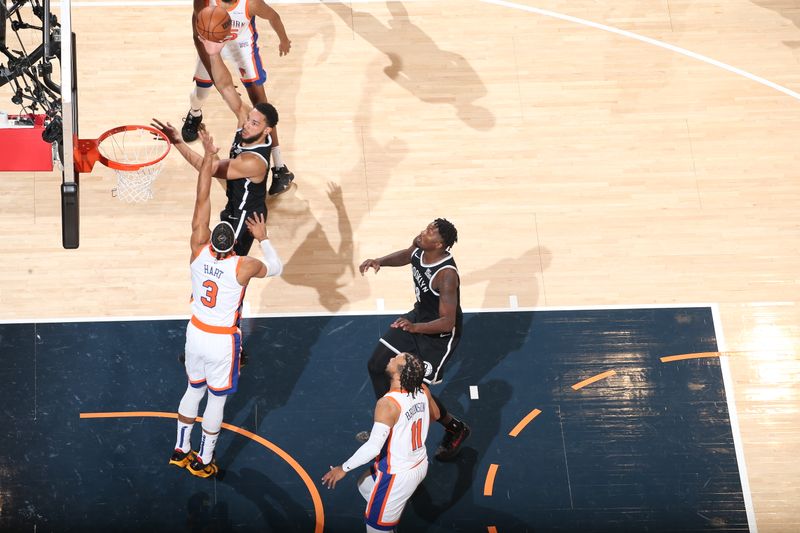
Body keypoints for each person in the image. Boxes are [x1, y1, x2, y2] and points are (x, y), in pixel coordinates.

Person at [168, 128, 283, 478]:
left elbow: (202, 198)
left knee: (192, 390)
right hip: (221, 339)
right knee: (216, 400)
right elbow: (276, 268)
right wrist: (263, 239)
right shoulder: (243, 265)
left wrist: (206, 155)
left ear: (210, 238)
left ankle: (179, 449)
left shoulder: (197, 249)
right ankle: (204, 459)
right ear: (234, 241)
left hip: (195, 332)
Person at [152, 38, 278, 259]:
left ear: (267, 131)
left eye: (255, 123)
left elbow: (206, 169)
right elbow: (226, 87)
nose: (247, 125)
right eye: (249, 119)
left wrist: (178, 143)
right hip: (234, 201)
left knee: (224, 263)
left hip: (245, 218)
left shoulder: (253, 162)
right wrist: (213, 54)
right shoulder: (248, 125)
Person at [359, 218, 470, 461]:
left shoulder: (446, 275)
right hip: (418, 318)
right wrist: (380, 261)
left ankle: (455, 428)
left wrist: (415, 327)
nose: (424, 232)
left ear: (440, 244)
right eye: (427, 227)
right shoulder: (420, 246)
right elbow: (407, 255)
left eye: (431, 231)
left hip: (438, 335)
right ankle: (385, 426)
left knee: (418, 389)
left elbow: (447, 322)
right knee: (376, 364)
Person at [183, 0, 295, 197]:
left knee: (262, 105)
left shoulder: (251, 4)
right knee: (201, 92)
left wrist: (284, 39)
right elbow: (196, 36)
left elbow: (273, 16)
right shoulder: (203, 1)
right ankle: (195, 113)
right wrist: (216, 76)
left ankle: (279, 168)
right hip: (211, 44)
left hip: (240, 44)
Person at [322, 353, 439, 532]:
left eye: (396, 359)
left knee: (375, 528)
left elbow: (373, 448)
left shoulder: (388, 404)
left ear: (400, 373)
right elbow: (436, 415)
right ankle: (388, 511)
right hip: (419, 462)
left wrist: (343, 468)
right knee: (365, 485)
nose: (392, 357)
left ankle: (386, 516)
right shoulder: (422, 388)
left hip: (396, 475)